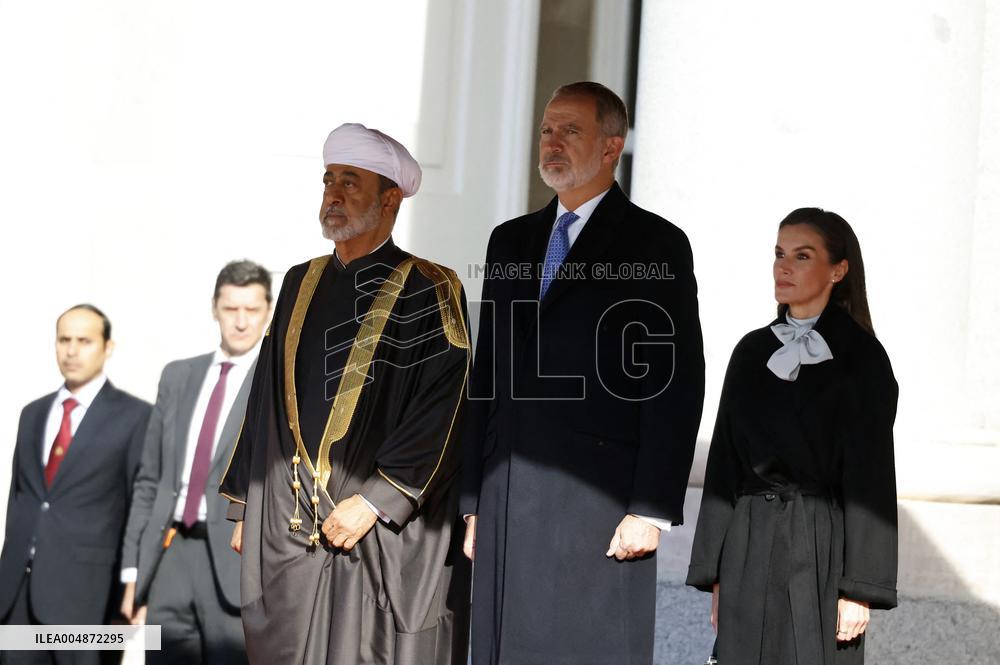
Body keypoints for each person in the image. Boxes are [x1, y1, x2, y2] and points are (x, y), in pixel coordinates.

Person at [460, 81, 705, 664]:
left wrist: (651, 508)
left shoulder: (656, 243)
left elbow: (674, 381)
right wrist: (472, 498)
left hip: (599, 503)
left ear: (611, 146)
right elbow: (486, 372)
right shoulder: (509, 240)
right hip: (506, 494)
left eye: (571, 130)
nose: (553, 143)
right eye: (547, 129)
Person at [219, 123, 471, 665]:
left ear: (390, 199)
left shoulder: (432, 287)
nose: (333, 194)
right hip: (289, 523)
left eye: (350, 183)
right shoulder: (297, 280)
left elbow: (446, 405)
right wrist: (246, 503)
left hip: (372, 533)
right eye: (328, 180)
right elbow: (265, 399)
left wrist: (379, 501)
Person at [686, 208, 899, 664]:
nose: (784, 267)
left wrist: (860, 588)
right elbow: (724, 464)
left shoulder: (863, 358)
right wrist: (718, 571)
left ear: (838, 270)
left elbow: (872, 476)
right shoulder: (750, 351)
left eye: (802, 256)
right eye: (779, 254)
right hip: (749, 544)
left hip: (821, 549)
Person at [118, 260, 272, 664]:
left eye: (251, 310)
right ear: (214, 309)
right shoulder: (178, 376)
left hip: (236, 559)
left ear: (268, 312)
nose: (240, 322)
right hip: (170, 553)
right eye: (230, 309)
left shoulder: (274, 384)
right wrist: (133, 573)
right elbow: (150, 480)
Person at [0, 305, 151, 665]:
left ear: (107, 347)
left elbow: (136, 507)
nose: (71, 350)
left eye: (84, 341)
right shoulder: (33, 413)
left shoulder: (135, 417)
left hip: (88, 596)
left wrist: (130, 591)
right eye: (64, 340)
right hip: (17, 591)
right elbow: (19, 497)